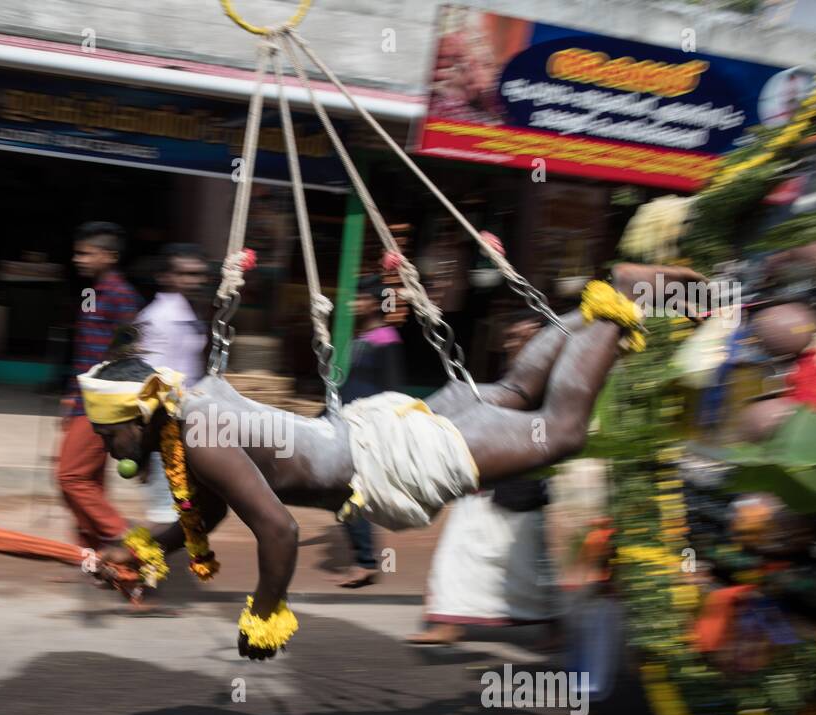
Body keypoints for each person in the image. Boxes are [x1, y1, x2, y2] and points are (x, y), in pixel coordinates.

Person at [83, 263, 704, 659]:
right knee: (514, 391)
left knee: (563, 432)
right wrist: (136, 549)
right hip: (380, 427)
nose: (109, 449)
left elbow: (279, 528)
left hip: (390, 460)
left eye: (109, 436)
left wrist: (265, 612)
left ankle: (623, 299)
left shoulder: (197, 437)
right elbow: (210, 515)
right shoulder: (194, 409)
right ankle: (603, 306)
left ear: (136, 416)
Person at [408, 315, 560, 645]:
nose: (514, 343)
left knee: (526, 560)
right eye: (512, 337)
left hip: (520, 483)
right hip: (490, 478)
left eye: (524, 337)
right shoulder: (512, 379)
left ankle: (551, 625)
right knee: (459, 551)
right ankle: (449, 622)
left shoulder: (545, 383)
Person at [56, 222, 143, 552]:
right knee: (88, 481)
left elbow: (130, 353)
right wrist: (69, 395)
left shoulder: (122, 297)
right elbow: (84, 350)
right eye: (77, 252)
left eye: (86, 253)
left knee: (70, 477)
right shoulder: (93, 293)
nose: (78, 259)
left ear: (109, 256)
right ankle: (92, 555)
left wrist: (121, 409)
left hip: (102, 403)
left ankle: (126, 540)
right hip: (83, 399)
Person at [331, 275, 408, 588]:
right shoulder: (360, 338)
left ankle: (365, 561)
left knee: (350, 492)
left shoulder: (387, 340)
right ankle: (363, 559)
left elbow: (392, 389)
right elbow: (347, 383)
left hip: (366, 428)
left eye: (360, 298)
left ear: (375, 303)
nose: (354, 303)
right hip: (345, 421)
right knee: (344, 491)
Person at [135, 243, 210, 523]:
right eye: (185, 274)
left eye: (199, 275)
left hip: (193, 421)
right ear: (165, 277)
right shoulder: (157, 319)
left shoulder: (191, 314)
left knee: (189, 509)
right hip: (168, 424)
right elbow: (151, 382)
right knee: (168, 512)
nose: (195, 281)